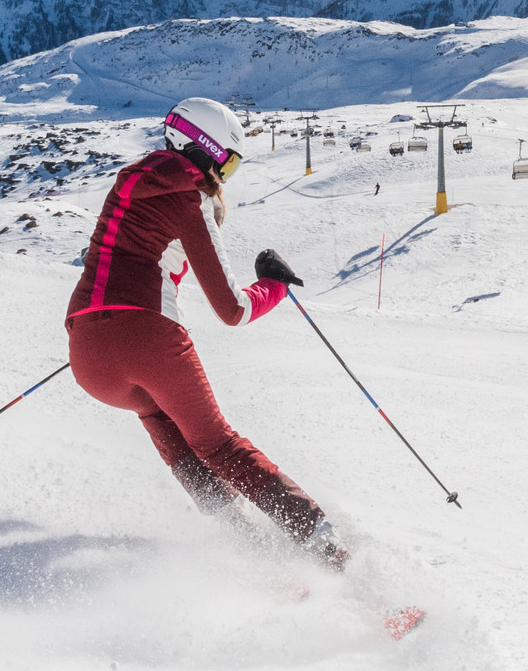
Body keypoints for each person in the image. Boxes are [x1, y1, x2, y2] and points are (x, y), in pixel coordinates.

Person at [64, 98, 346, 569]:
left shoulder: (128, 184)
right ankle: (331, 552)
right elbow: (233, 310)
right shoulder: (188, 201)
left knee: (162, 420)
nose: (226, 177)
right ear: (207, 150)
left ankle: (248, 550)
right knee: (217, 444)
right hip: (147, 337)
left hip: (86, 351)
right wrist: (273, 285)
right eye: (229, 163)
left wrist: (111, 335)